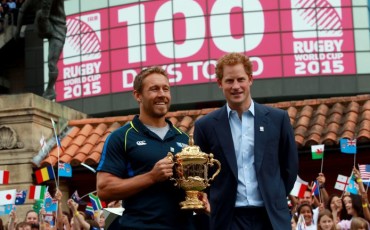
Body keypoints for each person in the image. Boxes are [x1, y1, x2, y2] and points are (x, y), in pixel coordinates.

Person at [193, 52, 298, 229]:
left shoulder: (277, 119)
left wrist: (274, 195)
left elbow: (290, 167)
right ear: (220, 83)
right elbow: (204, 175)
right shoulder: (205, 126)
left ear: (250, 79)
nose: (236, 86)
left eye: (240, 79)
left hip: (271, 218)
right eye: (229, 81)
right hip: (228, 219)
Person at [96, 66, 201, 229]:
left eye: (166, 89)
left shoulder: (185, 139)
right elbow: (104, 189)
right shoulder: (121, 137)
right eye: (154, 89)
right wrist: (151, 177)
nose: (162, 94)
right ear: (137, 95)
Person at [16, 0, 66, 100]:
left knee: (52, 63)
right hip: (44, 26)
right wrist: (17, 30)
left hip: (58, 29)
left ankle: (50, 90)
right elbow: (23, 9)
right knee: (40, 14)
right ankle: (50, 90)